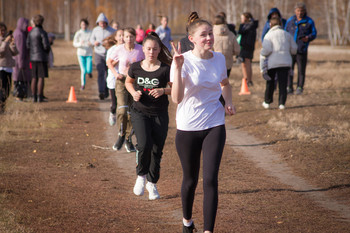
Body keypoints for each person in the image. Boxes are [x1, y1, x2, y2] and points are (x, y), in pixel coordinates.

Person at [170, 13, 236, 233]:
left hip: (215, 123)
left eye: (211, 34)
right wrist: (178, 68)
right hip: (187, 127)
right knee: (190, 180)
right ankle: (187, 221)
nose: (209, 38)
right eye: (204, 35)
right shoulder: (182, 60)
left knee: (210, 180)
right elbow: (176, 99)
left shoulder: (218, 58)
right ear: (192, 38)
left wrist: (228, 101)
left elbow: (225, 83)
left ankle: (209, 231)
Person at [125, 32, 172, 200]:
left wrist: (163, 90)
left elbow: (176, 89)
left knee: (157, 149)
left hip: (159, 114)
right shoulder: (135, 67)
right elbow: (128, 82)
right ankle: (141, 176)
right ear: (143, 49)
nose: (151, 52)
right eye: (148, 49)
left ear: (159, 50)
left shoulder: (166, 69)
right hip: (140, 112)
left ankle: (152, 184)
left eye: (155, 49)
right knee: (144, 145)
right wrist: (133, 93)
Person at [107, 27, 145, 152]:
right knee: (122, 110)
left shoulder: (140, 49)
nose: (129, 39)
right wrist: (115, 73)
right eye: (126, 36)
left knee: (132, 113)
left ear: (135, 37)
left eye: (131, 37)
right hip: (122, 81)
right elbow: (109, 62)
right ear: (123, 37)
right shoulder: (119, 49)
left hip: (135, 83)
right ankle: (121, 135)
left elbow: (146, 62)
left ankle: (128, 139)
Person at [260, 17, 297, 110]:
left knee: (270, 82)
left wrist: (263, 53)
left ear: (270, 25)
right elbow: (294, 49)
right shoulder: (287, 35)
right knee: (283, 83)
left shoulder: (269, 35)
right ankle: (281, 104)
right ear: (281, 24)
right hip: (285, 62)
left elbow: (266, 50)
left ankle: (267, 102)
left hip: (272, 63)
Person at [285, 2, 317, 95]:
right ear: (295, 11)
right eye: (298, 11)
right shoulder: (290, 20)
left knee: (301, 70)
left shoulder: (309, 21)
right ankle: (289, 87)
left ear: (305, 11)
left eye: (302, 11)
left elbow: (314, 33)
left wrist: (308, 38)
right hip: (290, 50)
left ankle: (300, 87)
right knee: (289, 69)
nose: (300, 13)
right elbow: (285, 32)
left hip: (301, 50)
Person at [90, 13, 115, 100]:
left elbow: (115, 40)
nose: (102, 24)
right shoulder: (95, 30)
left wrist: (109, 42)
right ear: (98, 23)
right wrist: (94, 42)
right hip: (98, 54)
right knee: (101, 72)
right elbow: (91, 39)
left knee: (108, 73)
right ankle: (101, 91)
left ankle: (106, 90)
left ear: (107, 23)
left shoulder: (111, 30)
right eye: (101, 23)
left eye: (104, 23)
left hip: (109, 54)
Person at [26, 14, 50, 103]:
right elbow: (46, 46)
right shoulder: (42, 32)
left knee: (34, 77)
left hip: (33, 57)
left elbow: (27, 45)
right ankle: (40, 97)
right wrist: (47, 51)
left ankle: (34, 97)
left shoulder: (31, 32)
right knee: (41, 77)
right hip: (42, 57)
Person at [104, 29, 124, 126]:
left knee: (124, 104)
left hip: (125, 80)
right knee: (114, 105)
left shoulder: (127, 49)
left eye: (123, 35)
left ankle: (123, 123)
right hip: (113, 79)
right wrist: (118, 60)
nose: (122, 38)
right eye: (119, 35)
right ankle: (112, 113)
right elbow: (109, 64)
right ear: (115, 38)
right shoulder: (112, 50)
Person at [237, 12, 258, 87]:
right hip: (243, 46)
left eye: (242, 18)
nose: (241, 20)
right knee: (243, 63)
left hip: (248, 46)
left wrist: (242, 25)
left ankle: (249, 80)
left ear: (246, 18)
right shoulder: (246, 26)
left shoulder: (250, 25)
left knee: (248, 62)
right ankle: (245, 79)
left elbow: (241, 32)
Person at [0, 22, 18, 106]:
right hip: (1, 68)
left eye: (3, 30)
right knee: (1, 89)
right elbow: (1, 52)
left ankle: (3, 105)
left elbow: (15, 53)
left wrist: (12, 44)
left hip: (9, 67)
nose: (2, 32)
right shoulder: (2, 41)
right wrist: (5, 42)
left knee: (7, 89)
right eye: (0, 30)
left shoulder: (6, 40)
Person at [13, 17, 31, 101]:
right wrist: (21, 63)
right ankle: (19, 96)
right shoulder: (20, 34)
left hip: (18, 61)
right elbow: (20, 50)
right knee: (19, 79)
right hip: (19, 61)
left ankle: (20, 95)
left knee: (19, 79)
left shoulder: (19, 33)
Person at [73, 18, 93, 90]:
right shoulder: (78, 33)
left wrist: (91, 43)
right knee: (83, 71)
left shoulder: (90, 32)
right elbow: (74, 43)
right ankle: (83, 85)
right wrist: (79, 44)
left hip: (89, 54)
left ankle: (90, 73)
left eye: (85, 24)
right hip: (80, 54)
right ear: (80, 25)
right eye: (82, 24)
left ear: (87, 25)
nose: (83, 26)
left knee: (89, 69)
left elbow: (93, 41)